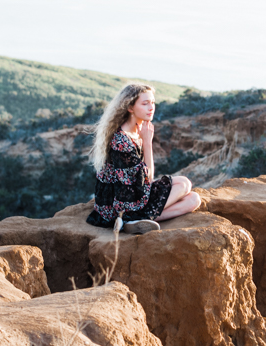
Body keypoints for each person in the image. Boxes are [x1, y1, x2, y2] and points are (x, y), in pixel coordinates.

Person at [85, 83, 201, 233]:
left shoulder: (136, 130)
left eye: (152, 103)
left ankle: (137, 220)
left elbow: (142, 180)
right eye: (145, 104)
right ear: (130, 108)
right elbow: (147, 178)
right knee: (184, 185)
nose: (151, 108)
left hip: (133, 192)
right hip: (121, 204)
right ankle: (130, 218)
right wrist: (147, 142)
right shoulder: (121, 141)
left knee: (193, 199)